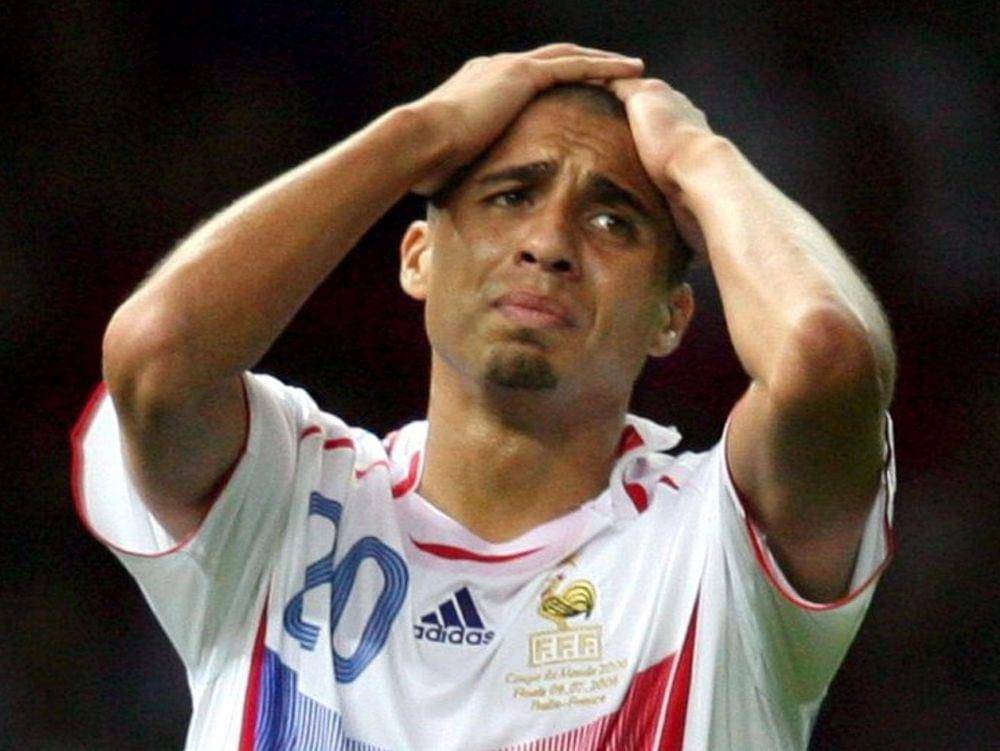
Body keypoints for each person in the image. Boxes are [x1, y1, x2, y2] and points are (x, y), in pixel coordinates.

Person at [72, 43, 897, 750]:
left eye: (613, 222)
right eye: (510, 197)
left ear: (670, 317)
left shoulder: (714, 544)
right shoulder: (287, 496)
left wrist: (698, 156)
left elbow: (824, 359)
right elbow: (156, 353)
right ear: (418, 258)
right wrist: (415, 134)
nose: (548, 243)